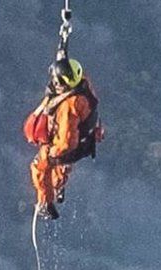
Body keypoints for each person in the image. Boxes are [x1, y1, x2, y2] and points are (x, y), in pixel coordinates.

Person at [25, 57, 101, 221]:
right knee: (61, 166)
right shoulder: (83, 83)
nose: (54, 83)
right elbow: (68, 70)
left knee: (40, 166)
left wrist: (51, 153)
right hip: (86, 139)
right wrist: (62, 51)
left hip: (71, 146)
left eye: (57, 82)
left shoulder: (68, 107)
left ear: (64, 85)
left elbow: (66, 142)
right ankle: (57, 186)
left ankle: (45, 203)